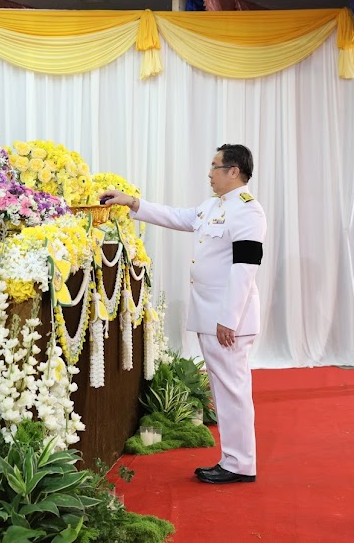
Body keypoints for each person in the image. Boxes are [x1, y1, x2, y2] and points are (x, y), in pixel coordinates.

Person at [101, 144, 267, 484]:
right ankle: (233, 460)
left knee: (232, 392)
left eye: (215, 166)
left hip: (228, 320)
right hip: (212, 316)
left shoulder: (248, 211)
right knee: (223, 391)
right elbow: (178, 217)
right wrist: (132, 202)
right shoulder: (213, 206)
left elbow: (245, 268)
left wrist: (229, 318)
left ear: (233, 171)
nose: (209, 173)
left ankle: (239, 464)